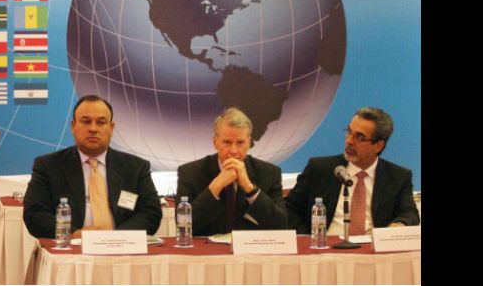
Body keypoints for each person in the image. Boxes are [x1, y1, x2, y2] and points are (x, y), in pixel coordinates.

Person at [23, 95, 162, 238]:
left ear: (111, 128)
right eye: (86, 122)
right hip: (71, 249)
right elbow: (34, 213)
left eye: (101, 122)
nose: (93, 129)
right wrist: (73, 234)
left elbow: (151, 212)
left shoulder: (136, 168)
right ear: (73, 126)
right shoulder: (48, 166)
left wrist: (117, 238)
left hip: (123, 249)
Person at [284, 107, 420, 235]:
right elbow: (290, 209)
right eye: (349, 132)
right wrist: (308, 238)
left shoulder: (398, 176)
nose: (349, 141)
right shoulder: (320, 168)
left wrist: (399, 225)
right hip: (325, 249)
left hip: (374, 251)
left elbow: (409, 214)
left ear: (378, 146)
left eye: (359, 137)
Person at [176, 107, 287, 236]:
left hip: (252, 251)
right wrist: (215, 186)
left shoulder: (269, 172)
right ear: (215, 142)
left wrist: (250, 189)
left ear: (249, 143)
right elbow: (183, 226)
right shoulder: (190, 172)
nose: (233, 151)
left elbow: (281, 226)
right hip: (208, 251)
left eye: (240, 143)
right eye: (227, 142)